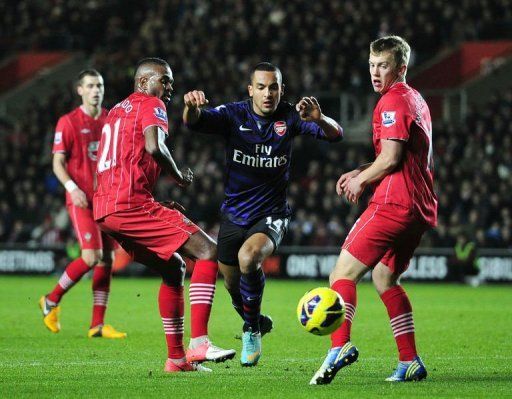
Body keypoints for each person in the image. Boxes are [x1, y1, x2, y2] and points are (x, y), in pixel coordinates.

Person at [183, 62, 343, 367]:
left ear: (281, 90)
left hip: (271, 215)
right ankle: (252, 316)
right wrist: (191, 107)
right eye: (261, 87)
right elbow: (194, 121)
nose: (267, 93)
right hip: (233, 215)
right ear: (250, 90)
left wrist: (320, 119)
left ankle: (251, 329)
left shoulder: (291, 116)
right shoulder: (234, 114)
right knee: (231, 285)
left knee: (249, 257)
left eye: (273, 87)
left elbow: (336, 135)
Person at [310, 36, 437, 385]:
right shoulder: (415, 99)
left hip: (395, 202)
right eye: (372, 64)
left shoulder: (393, 100)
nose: (376, 72)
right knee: (384, 278)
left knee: (341, 275)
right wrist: (361, 170)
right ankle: (410, 360)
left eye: (383, 65)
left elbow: (392, 159)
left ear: (401, 68)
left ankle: (340, 346)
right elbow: (400, 156)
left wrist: (361, 182)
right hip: (419, 206)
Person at [93, 57, 234, 373]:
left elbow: (121, 163)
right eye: (164, 80)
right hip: (129, 204)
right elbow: (155, 147)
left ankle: (176, 360)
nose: (169, 87)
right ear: (144, 82)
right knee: (209, 250)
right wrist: (179, 176)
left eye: (171, 81)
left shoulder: (115, 112)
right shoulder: (151, 102)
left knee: (174, 269)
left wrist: (155, 202)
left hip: (106, 208)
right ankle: (199, 343)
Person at [40, 69, 126, 339]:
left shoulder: (112, 119)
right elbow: (57, 162)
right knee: (91, 257)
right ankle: (51, 300)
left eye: (99, 85)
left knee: (107, 259)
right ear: (80, 90)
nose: (95, 90)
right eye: (90, 86)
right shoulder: (68, 122)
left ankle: (97, 325)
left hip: (107, 200)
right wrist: (72, 187)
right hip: (82, 200)